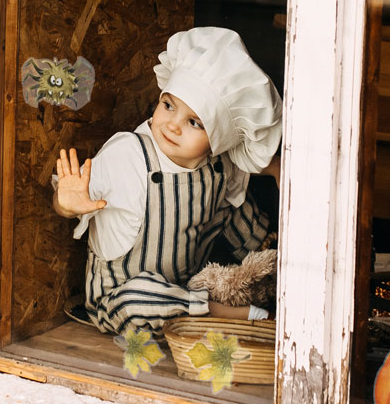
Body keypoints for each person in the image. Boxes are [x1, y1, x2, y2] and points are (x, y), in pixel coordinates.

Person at [52, 27, 281, 334]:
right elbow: (70, 201)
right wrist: (66, 205)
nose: (173, 125)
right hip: (120, 299)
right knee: (140, 298)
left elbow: (235, 192)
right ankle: (228, 314)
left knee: (231, 209)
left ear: (218, 141)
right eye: (168, 105)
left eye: (194, 122)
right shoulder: (127, 155)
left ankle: (270, 277)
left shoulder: (217, 166)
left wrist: (276, 173)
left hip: (184, 285)